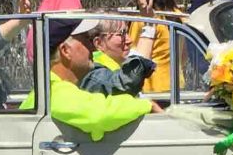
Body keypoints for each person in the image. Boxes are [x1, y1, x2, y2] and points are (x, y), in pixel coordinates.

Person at [20, 17, 162, 139]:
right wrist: (146, 105)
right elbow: (100, 115)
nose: (92, 47)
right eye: (85, 40)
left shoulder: (51, 88)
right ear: (65, 51)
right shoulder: (54, 92)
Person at [130, 0, 187, 94]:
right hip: (177, 83)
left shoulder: (145, 20)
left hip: (152, 86)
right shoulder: (180, 16)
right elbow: (184, 55)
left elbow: (133, 53)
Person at [81, 18, 158, 96]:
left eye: (127, 32)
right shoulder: (92, 69)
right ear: (99, 43)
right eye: (121, 34)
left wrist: (149, 24)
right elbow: (125, 85)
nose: (129, 40)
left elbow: (140, 58)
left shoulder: (115, 60)